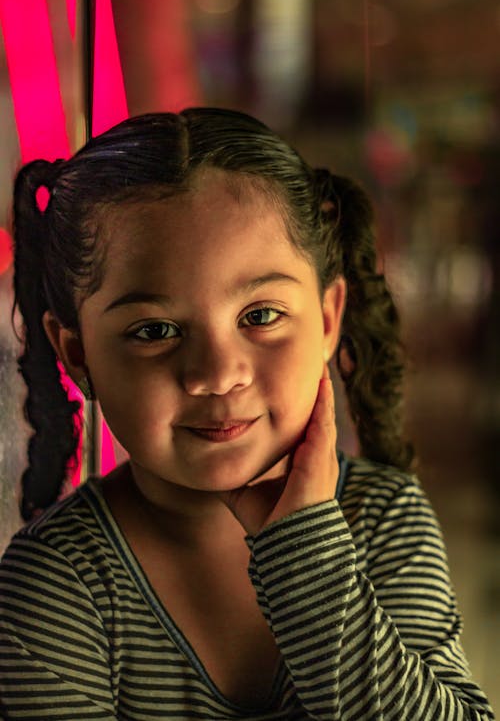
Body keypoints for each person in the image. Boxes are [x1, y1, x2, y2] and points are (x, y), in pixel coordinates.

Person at [0, 108, 494, 720]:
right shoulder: (56, 584)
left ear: (328, 319)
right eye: (154, 330)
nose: (217, 374)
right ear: (79, 356)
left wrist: (304, 552)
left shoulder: (383, 518)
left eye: (260, 315)